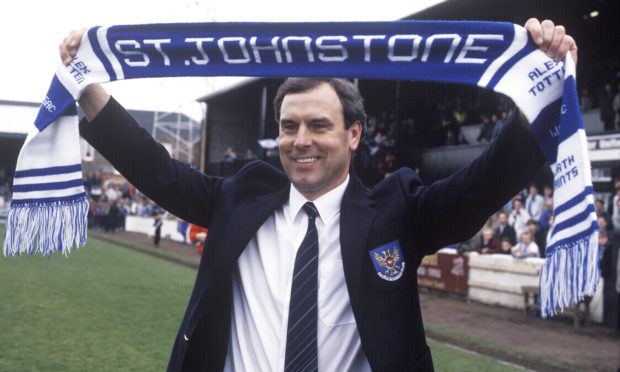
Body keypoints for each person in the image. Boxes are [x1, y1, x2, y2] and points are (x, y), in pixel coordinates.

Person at [61, 18, 576, 371]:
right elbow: (157, 171)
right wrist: (87, 86)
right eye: (288, 126)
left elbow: (479, 187)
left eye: (318, 125)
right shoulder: (241, 197)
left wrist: (542, 86)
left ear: (353, 134)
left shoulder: (397, 210)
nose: (300, 140)